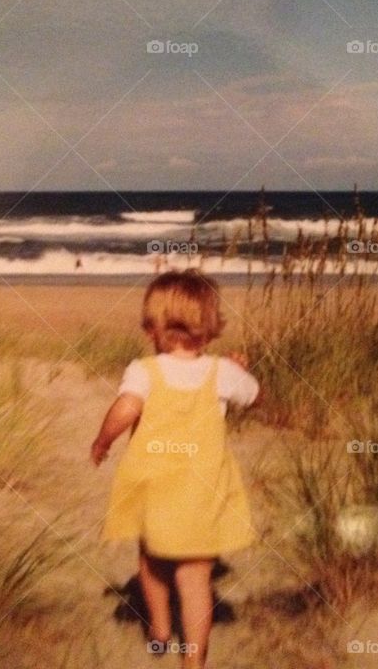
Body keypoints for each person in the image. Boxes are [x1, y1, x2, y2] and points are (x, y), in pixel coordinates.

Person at [90, 269, 260, 668]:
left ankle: (160, 629)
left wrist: (103, 440)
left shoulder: (143, 371)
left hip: (153, 486)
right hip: (201, 489)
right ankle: (193, 661)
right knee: (196, 578)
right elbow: (254, 397)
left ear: (152, 328)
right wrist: (241, 369)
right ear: (210, 328)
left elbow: (126, 408)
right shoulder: (222, 372)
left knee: (151, 561)